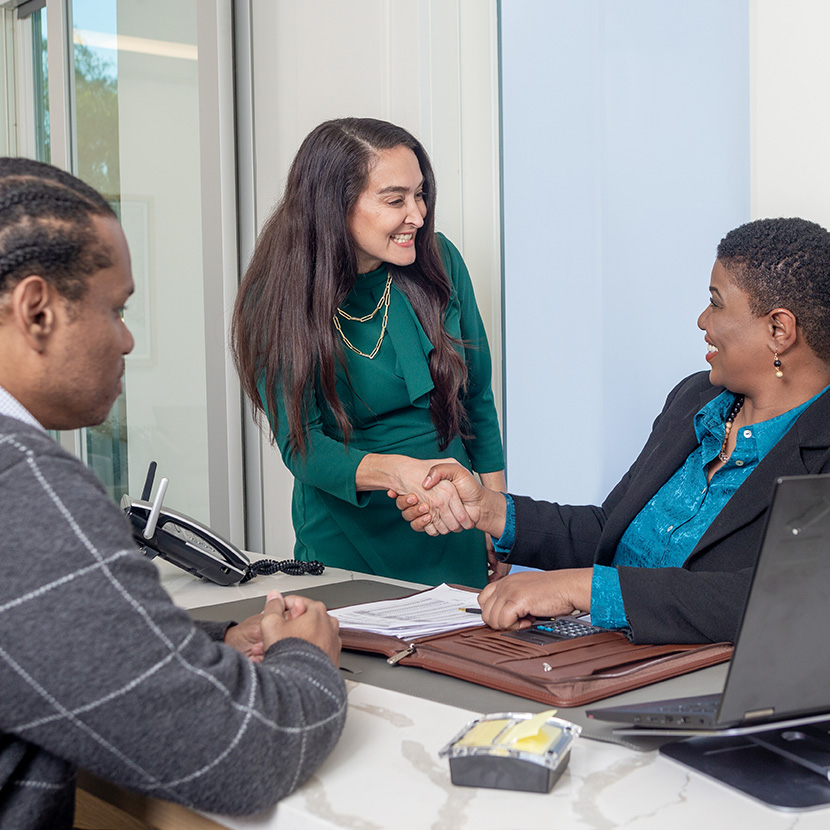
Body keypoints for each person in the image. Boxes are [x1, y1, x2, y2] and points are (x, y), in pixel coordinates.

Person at [0, 158, 346, 830]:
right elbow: (243, 753)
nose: (127, 339)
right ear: (37, 310)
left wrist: (204, 643)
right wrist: (304, 658)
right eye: (116, 309)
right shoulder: (22, 485)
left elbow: (38, 636)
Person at [395, 217, 830, 645]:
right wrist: (490, 510)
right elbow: (611, 530)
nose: (702, 320)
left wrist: (581, 589)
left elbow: (777, 598)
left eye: (715, 303)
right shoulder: (695, 401)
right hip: (601, 659)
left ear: (778, 330)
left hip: (709, 688)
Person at [232, 118, 505, 588]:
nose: (417, 215)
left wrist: (498, 515)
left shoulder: (440, 261)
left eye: (420, 195)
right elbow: (304, 445)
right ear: (333, 206)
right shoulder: (276, 299)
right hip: (347, 540)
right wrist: (398, 473)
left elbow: (477, 398)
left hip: (452, 522)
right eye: (395, 199)